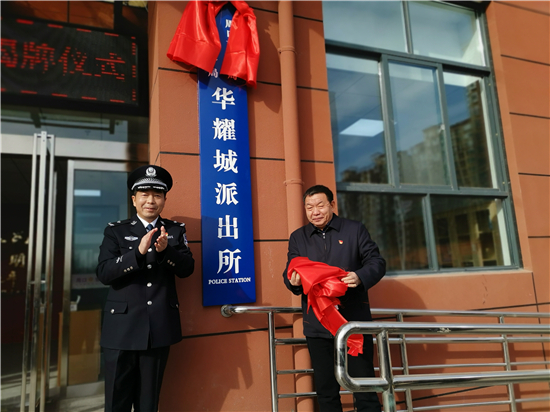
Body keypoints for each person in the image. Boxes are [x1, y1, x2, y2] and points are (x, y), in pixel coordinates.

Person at [97, 165, 194, 412]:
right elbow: (104, 273)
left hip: (158, 328)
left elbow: (187, 269)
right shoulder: (116, 231)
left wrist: (166, 251)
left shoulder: (174, 231)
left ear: (164, 200)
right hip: (121, 329)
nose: (150, 201)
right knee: (116, 402)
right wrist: (137, 254)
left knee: (148, 403)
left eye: (157, 195)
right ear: (134, 199)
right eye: (144, 195)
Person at [283, 185, 386, 412]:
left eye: (320, 205)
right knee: (326, 391)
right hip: (317, 325)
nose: (315, 212)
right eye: (309, 207)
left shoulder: (354, 230)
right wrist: (292, 281)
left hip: (353, 324)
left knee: (364, 387)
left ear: (332, 204)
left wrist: (360, 276)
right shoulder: (298, 237)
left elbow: (376, 262)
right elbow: (290, 269)